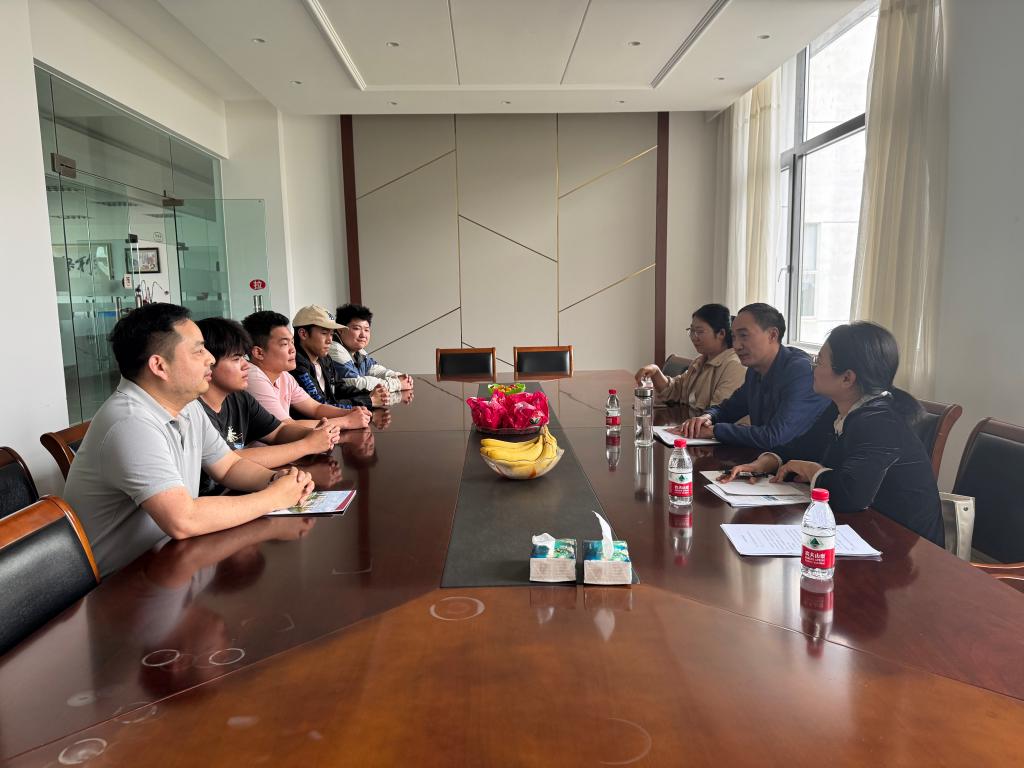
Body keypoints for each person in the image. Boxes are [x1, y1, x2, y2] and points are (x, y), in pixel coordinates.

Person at [64, 303, 315, 578]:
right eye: (198, 350)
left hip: (173, 562)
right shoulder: (130, 422)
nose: (210, 358)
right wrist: (273, 498)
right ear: (159, 366)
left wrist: (275, 480)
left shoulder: (187, 406)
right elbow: (183, 519)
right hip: (123, 584)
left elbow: (228, 466)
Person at [720, 322, 944, 546]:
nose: (812, 368)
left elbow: (850, 494)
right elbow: (803, 446)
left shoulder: (880, 421)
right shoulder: (840, 407)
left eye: (819, 362)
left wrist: (812, 470)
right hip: (861, 530)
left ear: (847, 378)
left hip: (902, 546)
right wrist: (765, 463)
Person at [195, 317, 343, 495]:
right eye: (236, 358)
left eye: (243, 357)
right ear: (208, 364)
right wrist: (307, 445)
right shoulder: (194, 410)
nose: (246, 365)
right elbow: (231, 461)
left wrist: (316, 435)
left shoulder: (239, 398)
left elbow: (278, 431)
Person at [679, 302, 829, 451]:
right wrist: (707, 417)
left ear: (772, 335)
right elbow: (729, 408)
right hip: (767, 458)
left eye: (744, 336)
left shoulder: (801, 371)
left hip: (801, 462)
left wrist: (714, 431)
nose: (736, 345)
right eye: (734, 337)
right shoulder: (755, 369)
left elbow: (773, 437)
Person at [242, 310, 372, 430]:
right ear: (258, 353)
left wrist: (350, 412)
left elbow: (315, 408)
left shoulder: (284, 376)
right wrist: (346, 421)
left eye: (292, 342)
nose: (293, 349)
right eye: (285, 344)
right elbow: (285, 427)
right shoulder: (252, 376)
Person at [634, 303, 745, 418]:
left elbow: (718, 415)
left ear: (721, 333)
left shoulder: (734, 366)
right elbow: (674, 390)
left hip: (709, 428)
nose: (693, 337)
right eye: (691, 331)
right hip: (689, 424)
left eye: (699, 332)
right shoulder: (700, 361)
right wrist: (656, 372)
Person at [292, 305, 391, 408]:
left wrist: (370, 394)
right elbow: (321, 406)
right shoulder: (296, 365)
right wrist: (368, 400)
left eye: (331, 334)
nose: (330, 340)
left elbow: (340, 388)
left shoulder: (324, 359)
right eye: (324, 333)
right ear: (303, 334)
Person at [328, 303, 414, 394]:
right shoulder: (334, 348)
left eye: (366, 330)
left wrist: (397, 376)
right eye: (357, 328)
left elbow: (375, 370)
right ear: (340, 330)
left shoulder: (359, 351)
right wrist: (397, 384)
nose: (363, 335)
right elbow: (356, 383)